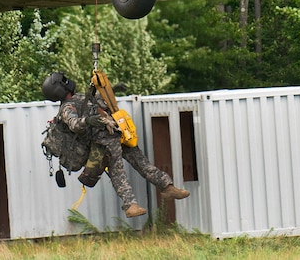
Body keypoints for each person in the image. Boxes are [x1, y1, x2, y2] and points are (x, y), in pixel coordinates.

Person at [41, 71, 190, 218]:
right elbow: (73, 124)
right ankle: (130, 206)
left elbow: (96, 102)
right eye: (64, 81)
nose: (68, 82)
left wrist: (113, 91)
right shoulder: (66, 108)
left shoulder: (78, 98)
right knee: (118, 172)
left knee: (141, 161)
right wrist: (88, 121)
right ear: (60, 88)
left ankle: (166, 186)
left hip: (115, 132)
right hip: (102, 143)